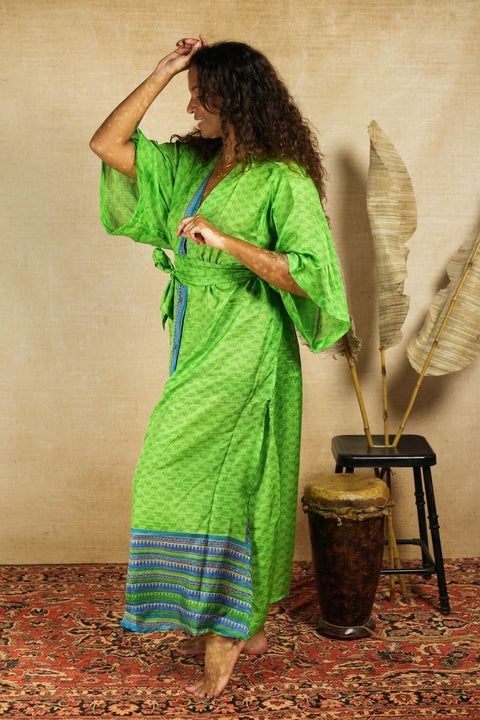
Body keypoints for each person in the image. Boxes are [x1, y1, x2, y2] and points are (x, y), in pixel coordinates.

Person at [90, 36, 349, 698]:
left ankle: (228, 634)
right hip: (195, 335)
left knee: (215, 477)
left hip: (247, 342)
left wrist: (226, 241)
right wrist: (163, 70)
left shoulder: (282, 180)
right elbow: (107, 144)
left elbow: (310, 275)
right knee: (215, 479)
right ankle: (238, 617)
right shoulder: (194, 166)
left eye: (201, 95)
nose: (191, 106)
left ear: (233, 100)